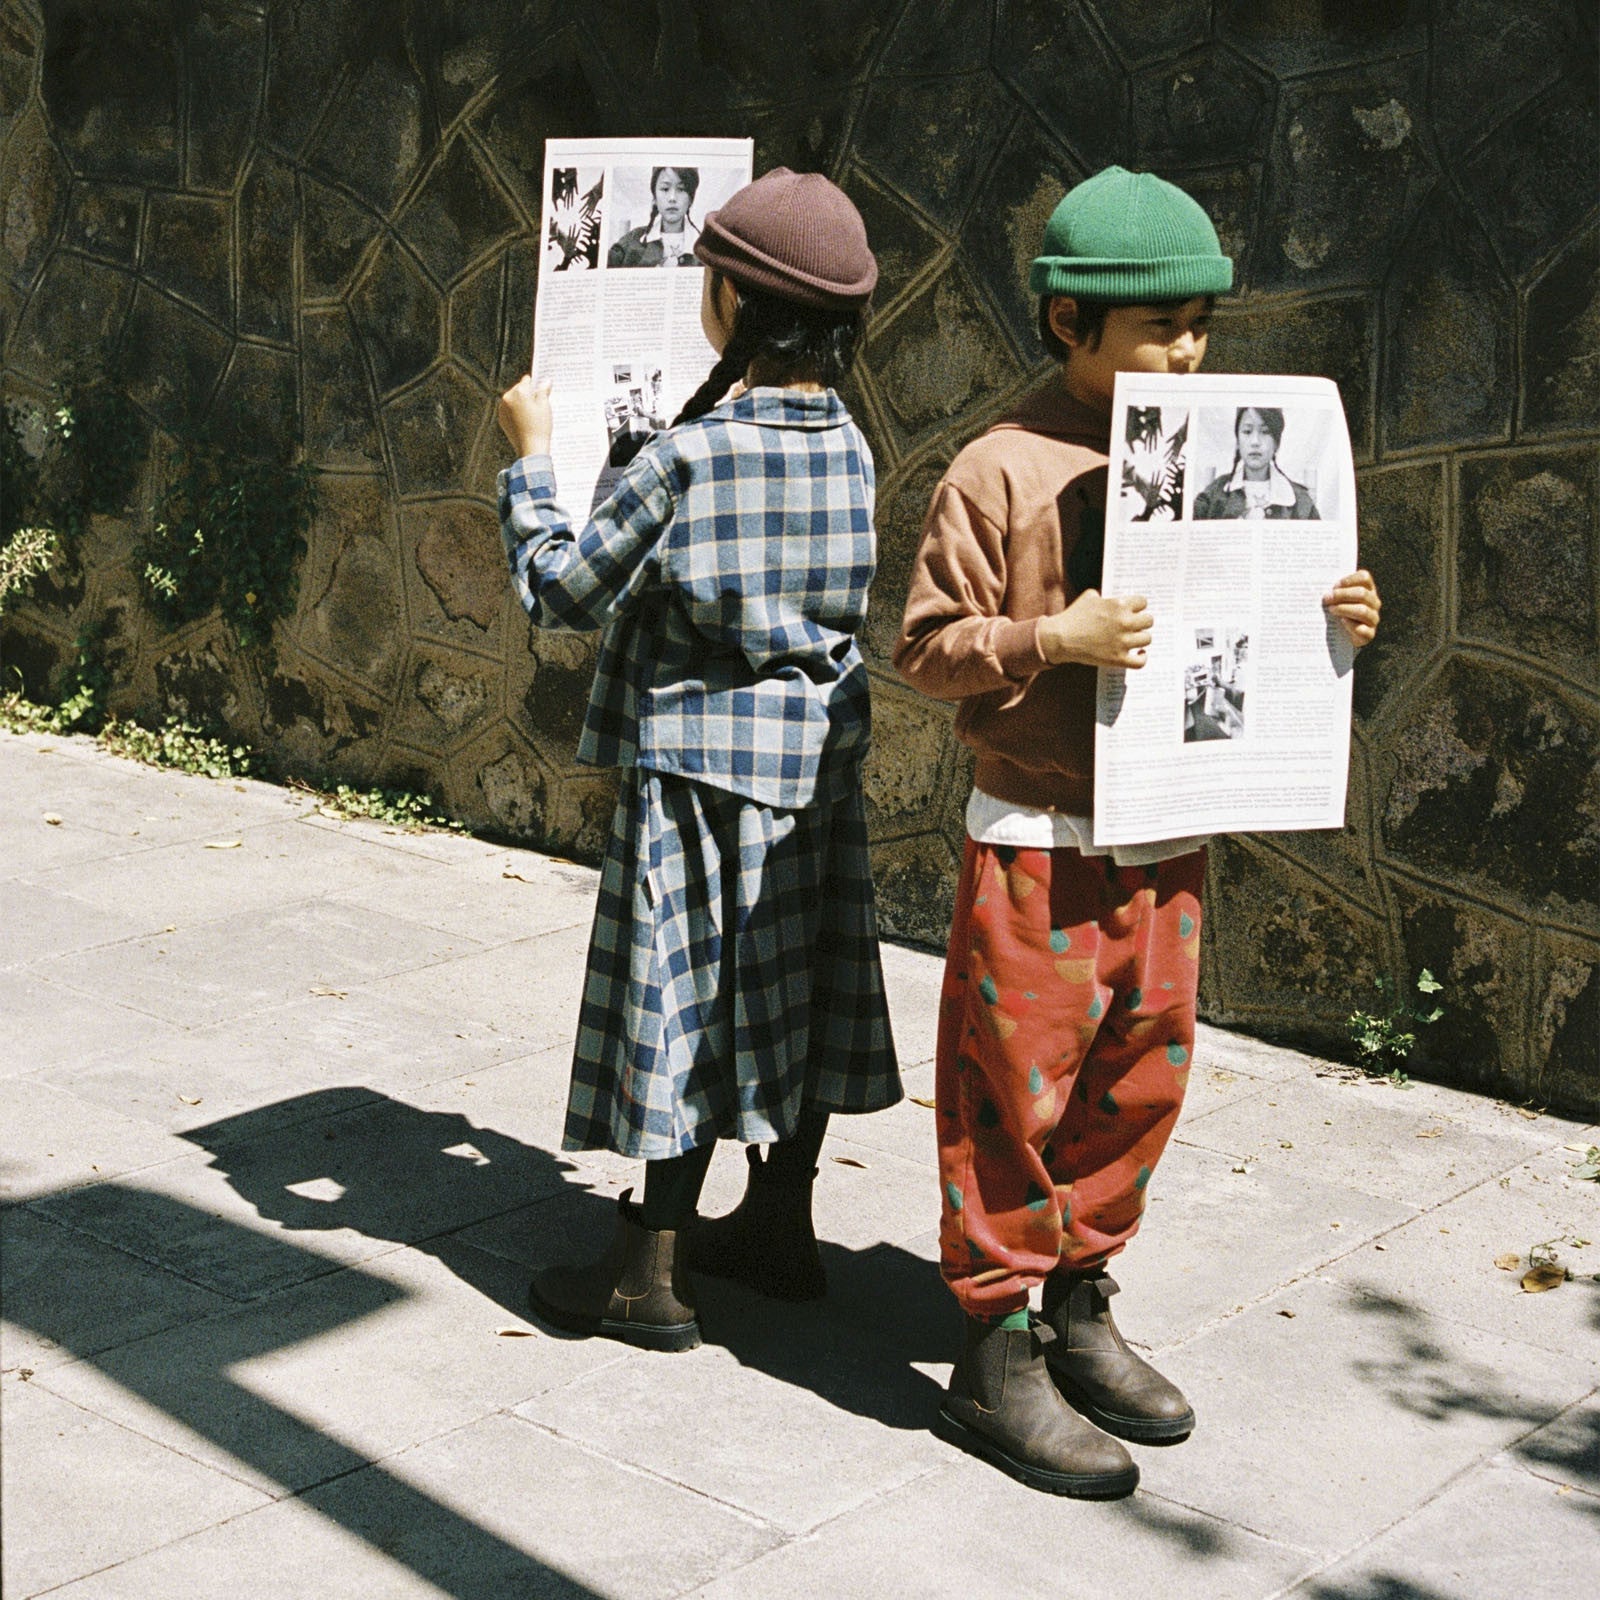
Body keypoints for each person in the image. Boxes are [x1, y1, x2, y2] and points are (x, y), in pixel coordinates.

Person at [894, 165, 1380, 1497]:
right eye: (1160, 328)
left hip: (1169, 835)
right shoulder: (997, 466)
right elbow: (926, 650)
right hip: (1040, 837)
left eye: (1200, 328)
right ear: (1069, 324)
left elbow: (1252, 620)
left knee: (1142, 1075)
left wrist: (1329, 618)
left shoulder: (1227, 456)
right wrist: (1051, 638)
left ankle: (1079, 1300)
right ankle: (992, 1344)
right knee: (1018, 1085)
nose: (1189, 353)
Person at [497, 167, 899, 1353]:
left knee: (678, 1001)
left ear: (727, 298)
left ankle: (651, 1270)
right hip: (812, 772)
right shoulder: (854, 449)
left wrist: (531, 461)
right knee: (797, 984)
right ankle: (780, 1222)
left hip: (693, 771)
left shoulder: (690, 458)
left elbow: (564, 592)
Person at [1194, 405, 1320, 519]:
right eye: (1247, 432)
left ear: (1277, 443)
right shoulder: (1214, 495)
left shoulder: (1299, 500)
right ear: (1238, 441)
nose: (1255, 442)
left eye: (1265, 432)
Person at [607, 166, 701, 267]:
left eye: (681, 189)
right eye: (665, 189)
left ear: (691, 199)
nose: (672, 198)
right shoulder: (632, 241)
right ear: (654, 197)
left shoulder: (705, 246)